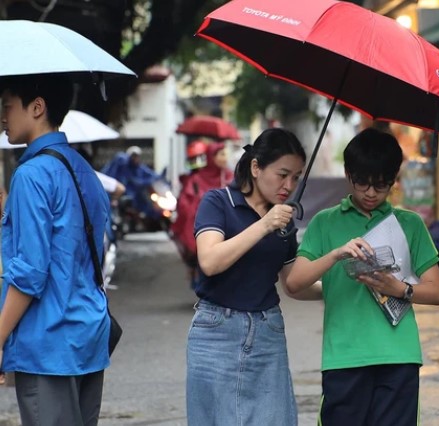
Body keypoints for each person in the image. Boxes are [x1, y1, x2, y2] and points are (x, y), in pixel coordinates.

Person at [286, 127, 439, 425]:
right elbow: (294, 283)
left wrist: (399, 288)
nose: (371, 193)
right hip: (345, 357)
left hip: (399, 357)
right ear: (348, 174)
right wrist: (337, 254)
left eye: (381, 185)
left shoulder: (409, 224)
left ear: (394, 181)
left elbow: (436, 292)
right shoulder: (325, 223)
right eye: (362, 183)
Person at [0, 74, 111, 425]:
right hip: (88, 333)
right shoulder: (83, 170)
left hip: (48, 341)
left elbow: (31, 272)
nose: (2, 117)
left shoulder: (31, 174)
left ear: (37, 107)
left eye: (7, 107)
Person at [187, 128, 317, 426]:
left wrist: (345, 278)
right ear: (256, 167)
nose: (289, 185)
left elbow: (293, 283)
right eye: (282, 174)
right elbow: (210, 261)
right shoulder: (218, 202)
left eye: (296, 177)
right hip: (215, 331)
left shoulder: (284, 224)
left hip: (267, 331)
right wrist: (264, 224)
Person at [171, 141, 234, 287]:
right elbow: (185, 205)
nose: (225, 158)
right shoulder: (196, 179)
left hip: (227, 226)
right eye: (221, 154)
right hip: (200, 227)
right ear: (212, 157)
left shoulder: (230, 177)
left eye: (226, 154)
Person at [101, 145, 159, 217]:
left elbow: (152, 175)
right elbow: (111, 180)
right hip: (117, 195)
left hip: (133, 197)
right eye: (133, 156)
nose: (135, 158)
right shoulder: (121, 164)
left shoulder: (139, 168)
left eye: (136, 156)